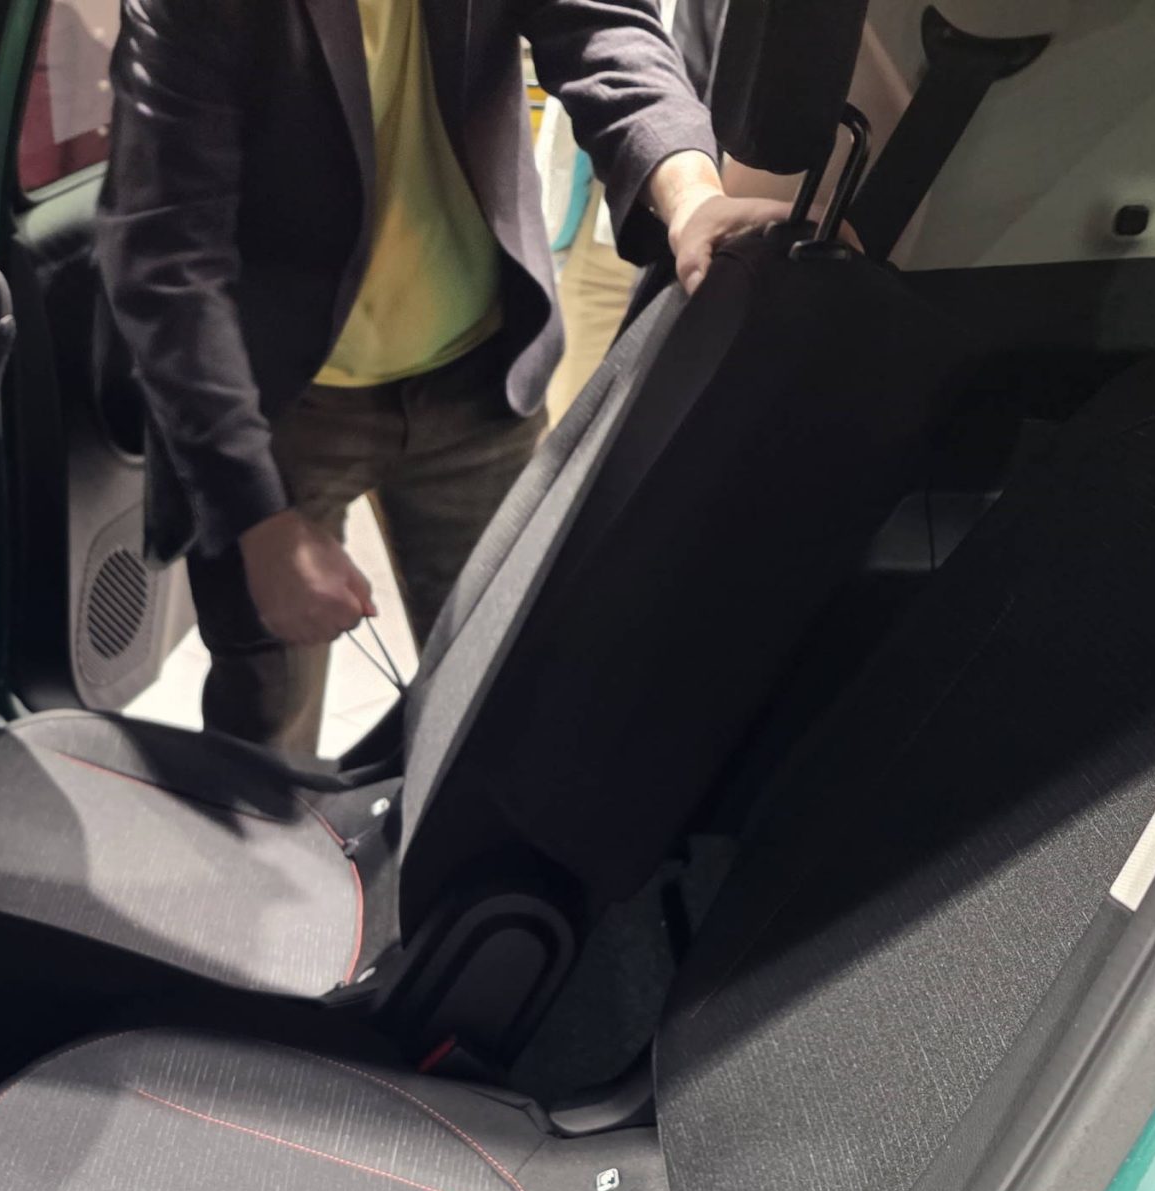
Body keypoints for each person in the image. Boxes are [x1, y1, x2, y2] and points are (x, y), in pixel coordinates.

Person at [98, 0, 786, 756]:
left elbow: (600, 28)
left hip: (479, 378)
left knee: (495, 699)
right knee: (266, 726)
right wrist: (256, 521)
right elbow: (167, 257)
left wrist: (691, 197)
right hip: (279, 403)